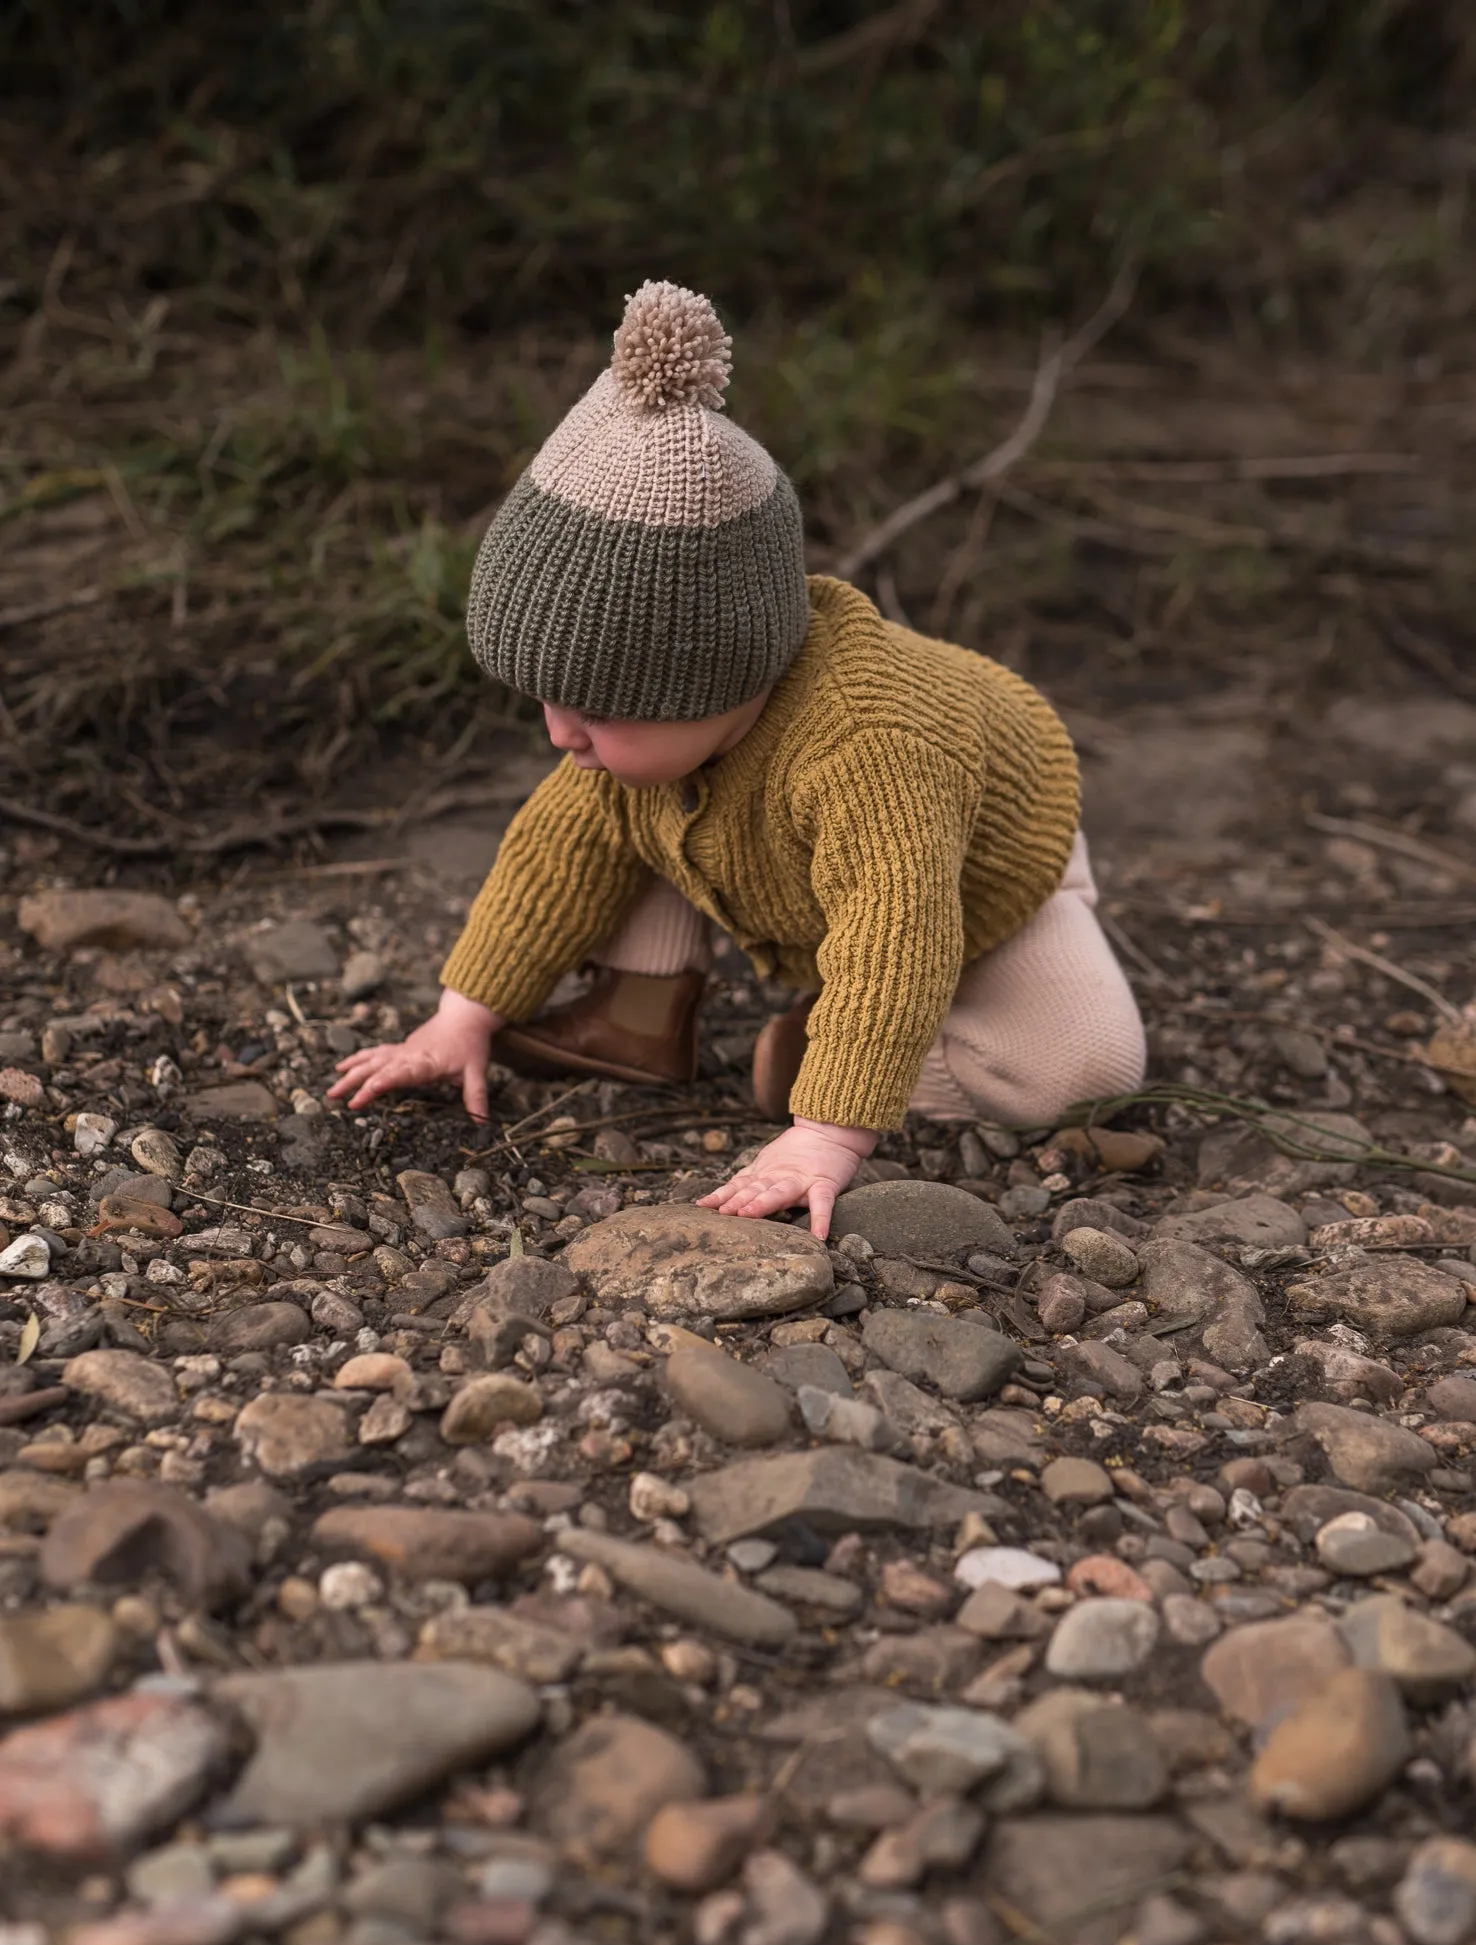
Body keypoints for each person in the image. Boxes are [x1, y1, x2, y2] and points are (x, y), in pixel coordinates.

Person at [328, 281, 1146, 1239]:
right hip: (775, 847)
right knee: (612, 809)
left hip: (977, 883)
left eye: (597, 707)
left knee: (1085, 1072)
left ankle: (826, 1047)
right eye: (546, 701)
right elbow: (553, 855)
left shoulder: (871, 749)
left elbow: (897, 932)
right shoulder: (652, 731)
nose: (560, 733)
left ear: (724, 674)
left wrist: (825, 1133)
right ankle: (638, 1016)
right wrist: (461, 1017)